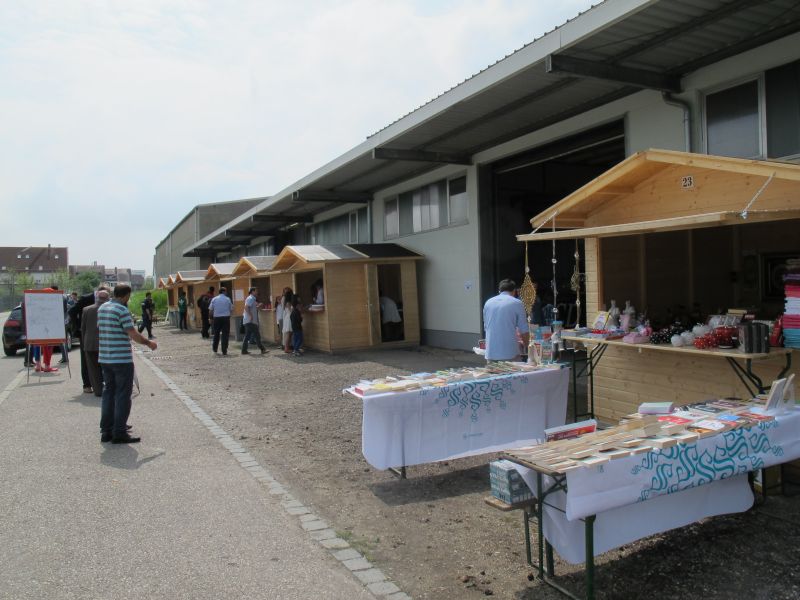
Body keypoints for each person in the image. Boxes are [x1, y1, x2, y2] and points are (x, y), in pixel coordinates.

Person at [98, 284, 157, 444]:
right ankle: (119, 432)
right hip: (121, 359)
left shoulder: (102, 308)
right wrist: (149, 343)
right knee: (123, 395)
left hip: (105, 358)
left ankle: (106, 430)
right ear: (126, 295)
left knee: (108, 393)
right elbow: (132, 333)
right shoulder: (122, 310)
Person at [69, 285, 110, 391]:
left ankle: (100, 383)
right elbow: (72, 312)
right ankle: (87, 384)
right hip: (87, 333)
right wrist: (78, 328)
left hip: (103, 333)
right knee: (86, 360)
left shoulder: (107, 300)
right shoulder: (86, 298)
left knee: (102, 360)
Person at [483, 278, 529, 362]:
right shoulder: (517, 303)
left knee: (493, 371)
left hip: (491, 353)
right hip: (509, 353)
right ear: (514, 291)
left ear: (499, 291)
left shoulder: (488, 302)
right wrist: (528, 348)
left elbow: (486, 327)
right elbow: (524, 330)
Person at [81, 289, 109, 397]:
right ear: (107, 298)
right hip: (106, 343)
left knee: (93, 369)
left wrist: (84, 342)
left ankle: (98, 391)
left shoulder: (86, 309)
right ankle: (110, 388)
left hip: (90, 343)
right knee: (108, 368)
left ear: (97, 298)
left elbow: (83, 328)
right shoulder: (110, 309)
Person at [241, 287, 267, 355]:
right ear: (252, 291)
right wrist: (250, 315)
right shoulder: (250, 298)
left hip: (249, 321)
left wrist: (259, 305)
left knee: (247, 336)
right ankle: (262, 349)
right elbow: (246, 307)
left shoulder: (252, 299)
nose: (257, 292)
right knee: (257, 335)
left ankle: (244, 350)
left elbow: (254, 308)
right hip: (250, 321)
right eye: (256, 291)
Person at [209, 286, 233, 355]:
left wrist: (210, 318)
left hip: (217, 318)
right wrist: (229, 314)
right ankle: (224, 350)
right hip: (226, 318)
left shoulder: (214, 299)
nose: (226, 292)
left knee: (216, 333)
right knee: (225, 334)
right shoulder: (227, 299)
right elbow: (231, 309)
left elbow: (210, 310)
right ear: (223, 291)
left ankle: (215, 348)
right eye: (226, 291)